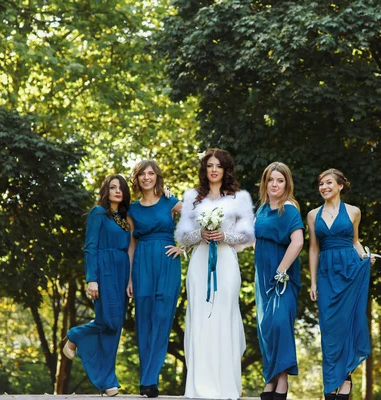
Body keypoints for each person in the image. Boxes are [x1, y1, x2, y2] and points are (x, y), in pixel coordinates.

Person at [175, 148, 255, 400]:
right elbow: (182, 237)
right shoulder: (192, 198)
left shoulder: (239, 199)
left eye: (218, 166)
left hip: (226, 262)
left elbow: (248, 236)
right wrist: (200, 234)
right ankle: (199, 387)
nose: (213, 169)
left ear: (225, 169)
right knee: (200, 317)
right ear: (204, 169)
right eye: (209, 165)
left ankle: (226, 386)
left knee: (224, 316)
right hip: (199, 263)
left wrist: (224, 236)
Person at [307, 169, 373, 400]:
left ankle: (345, 378)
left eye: (328, 183)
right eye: (321, 184)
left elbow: (355, 241)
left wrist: (366, 256)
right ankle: (331, 383)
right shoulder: (313, 215)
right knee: (329, 329)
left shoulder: (354, 212)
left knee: (348, 324)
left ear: (340, 186)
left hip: (349, 271)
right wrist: (313, 281)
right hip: (326, 273)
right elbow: (314, 248)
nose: (323, 187)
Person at [63, 174, 131, 397]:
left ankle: (107, 381)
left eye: (121, 188)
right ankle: (75, 335)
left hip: (121, 273)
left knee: (115, 325)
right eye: (113, 187)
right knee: (108, 321)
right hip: (105, 271)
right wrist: (92, 278)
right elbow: (90, 247)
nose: (117, 191)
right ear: (106, 191)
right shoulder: (98, 213)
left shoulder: (124, 218)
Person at [126, 160, 183, 398]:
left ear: (157, 177)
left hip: (168, 261)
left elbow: (198, 217)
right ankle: (146, 379)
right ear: (137, 179)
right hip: (142, 262)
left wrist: (184, 246)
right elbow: (131, 244)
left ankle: (149, 380)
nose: (147, 177)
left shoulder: (171, 201)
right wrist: (129, 278)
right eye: (142, 174)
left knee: (162, 317)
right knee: (145, 320)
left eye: (151, 173)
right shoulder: (131, 209)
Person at [254, 162, 304, 400]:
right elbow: (256, 239)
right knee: (266, 328)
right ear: (265, 182)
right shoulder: (262, 209)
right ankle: (271, 378)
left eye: (280, 180)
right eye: (271, 180)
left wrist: (281, 271)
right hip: (261, 276)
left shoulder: (290, 209)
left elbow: (298, 241)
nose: (275, 184)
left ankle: (281, 382)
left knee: (280, 323)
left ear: (287, 183)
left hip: (282, 275)